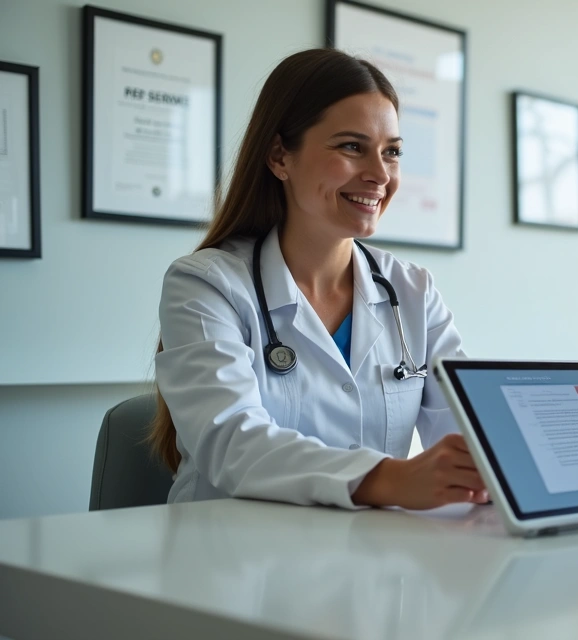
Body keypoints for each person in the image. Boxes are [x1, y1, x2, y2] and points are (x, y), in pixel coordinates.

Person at [149, 49, 486, 511]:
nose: (379, 175)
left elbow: (470, 433)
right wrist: (388, 478)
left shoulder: (412, 291)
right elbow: (231, 443)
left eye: (392, 152)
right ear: (278, 157)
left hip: (368, 560)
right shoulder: (206, 285)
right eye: (352, 147)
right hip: (229, 564)